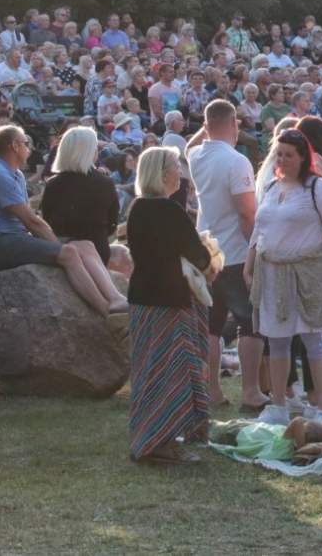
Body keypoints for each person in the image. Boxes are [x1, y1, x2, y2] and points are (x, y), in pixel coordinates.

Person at [0, 124, 130, 318]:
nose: (30, 148)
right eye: (26, 143)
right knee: (69, 252)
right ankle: (105, 311)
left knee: (85, 245)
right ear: (14, 146)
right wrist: (57, 249)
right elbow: (32, 222)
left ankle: (117, 298)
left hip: (11, 238)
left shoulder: (15, 175)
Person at [246, 128, 322, 426]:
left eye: (289, 155)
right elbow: (258, 228)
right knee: (277, 340)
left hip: (306, 271)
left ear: (304, 157)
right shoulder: (271, 187)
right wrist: (249, 264)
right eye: (279, 154)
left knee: (313, 337)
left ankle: (321, 407)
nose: (283, 159)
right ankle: (278, 405)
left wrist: (307, 250)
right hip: (271, 270)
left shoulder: (318, 188)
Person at [125, 147, 216, 465]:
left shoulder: (138, 208)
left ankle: (151, 437)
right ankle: (161, 441)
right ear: (164, 174)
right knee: (175, 370)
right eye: (178, 167)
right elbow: (199, 256)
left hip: (142, 298)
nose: (182, 174)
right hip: (169, 300)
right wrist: (210, 260)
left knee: (150, 371)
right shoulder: (169, 210)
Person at [187, 99, 264, 413]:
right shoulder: (236, 161)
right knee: (250, 323)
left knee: (212, 325)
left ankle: (213, 390)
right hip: (234, 252)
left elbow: (189, 145)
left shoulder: (196, 155)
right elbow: (247, 213)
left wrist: (205, 130)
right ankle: (251, 392)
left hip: (206, 250)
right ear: (235, 124)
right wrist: (255, 252)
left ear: (205, 127)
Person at [40, 126, 125, 271]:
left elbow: (47, 220)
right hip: (97, 250)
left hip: (63, 251)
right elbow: (113, 221)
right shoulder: (105, 182)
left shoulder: (53, 184)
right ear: (91, 152)